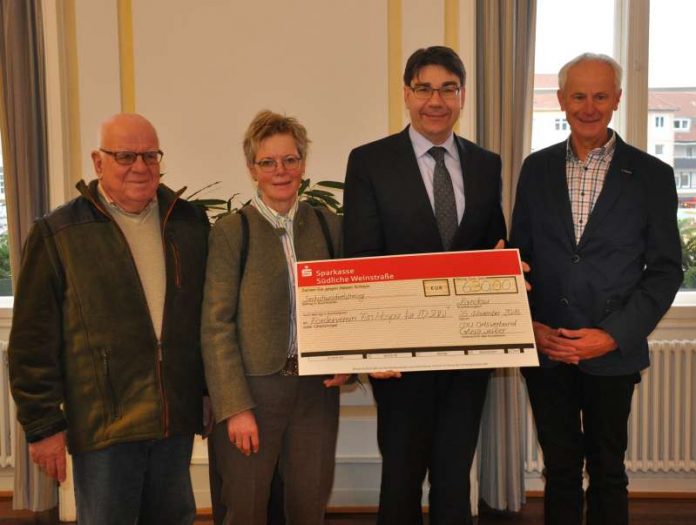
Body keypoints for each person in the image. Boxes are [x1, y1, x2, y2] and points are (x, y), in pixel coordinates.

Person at [8, 113, 210, 524]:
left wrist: (207, 392)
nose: (140, 166)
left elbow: (206, 319)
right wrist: (43, 425)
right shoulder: (59, 233)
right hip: (103, 426)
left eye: (150, 155)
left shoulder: (188, 223)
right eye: (125, 156)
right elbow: (31, 340)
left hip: (173, 421)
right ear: (98, 162)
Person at [510, 53, 683, 525]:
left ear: (617, 100)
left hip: (613, 349)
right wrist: (534, 328)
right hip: (548, 350)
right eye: (579, 96)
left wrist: (612, 335)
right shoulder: (536, 168)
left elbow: (667, 269)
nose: (590, 107)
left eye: (601, 96)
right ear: (562, 101)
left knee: (608, 471)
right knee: (560, 470)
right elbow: (517, 263)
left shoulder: (652, 175)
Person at [343, 46, 506, 525]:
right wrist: (376, 348)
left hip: (467, 355)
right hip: (400, 357)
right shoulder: (370, 162)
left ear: (462, 97)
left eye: (448, 89)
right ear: (406, 95)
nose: (436, 100)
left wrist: (503, 268)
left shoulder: (485, 164)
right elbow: (362, 258)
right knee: (401, 479)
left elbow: (492, 244)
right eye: (425, 89)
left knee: (455, 480)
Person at [202, 110, 348, 525]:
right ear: (252, 169)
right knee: (245, 508)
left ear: (303, 164)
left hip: (315, 392)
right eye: (268, 162)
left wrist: (347, 363)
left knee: (308, 507)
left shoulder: (330, 226)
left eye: (289, 159)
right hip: (253, 394)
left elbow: (353, 301)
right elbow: (216, 326)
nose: (280, 171)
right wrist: (235, 408)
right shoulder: (233, 232)